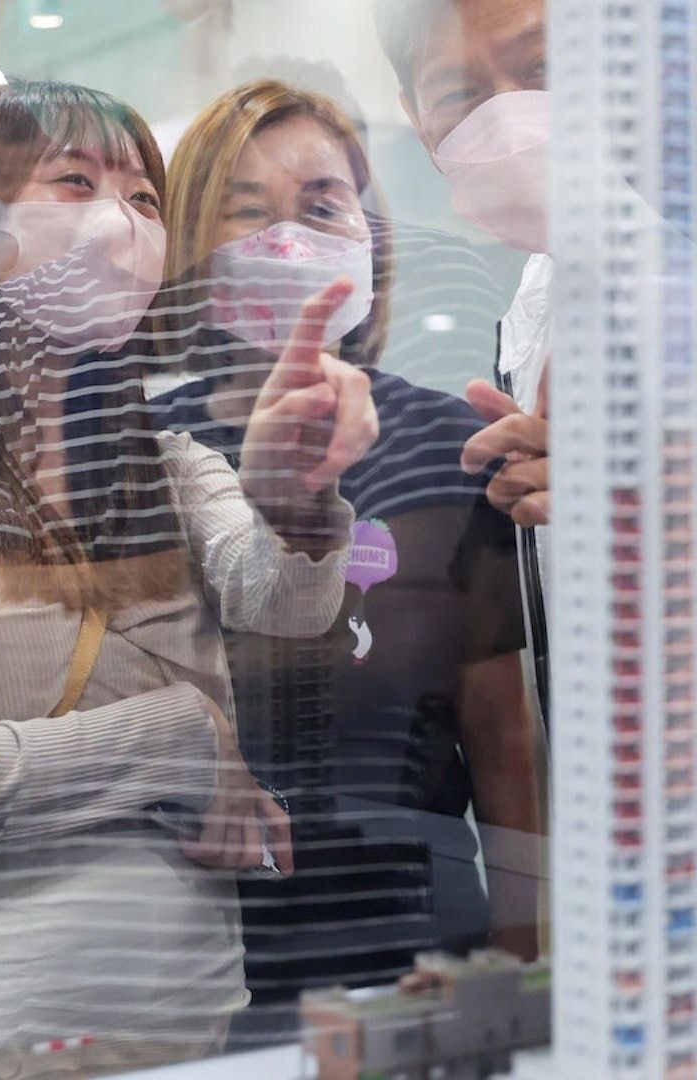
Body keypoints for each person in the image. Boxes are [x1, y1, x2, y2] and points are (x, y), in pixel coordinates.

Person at [0, 79, 376, 1063]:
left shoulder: (169, 460)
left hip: (189, 1001)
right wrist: (180, 735)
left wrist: (300, 497)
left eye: (144, 198)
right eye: (76, 181)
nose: (122, 222)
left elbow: (285, 600)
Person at [150, 79, 543, 1044]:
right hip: (189, 963)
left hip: (414, 951)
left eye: (322, 206)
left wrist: (525, 966)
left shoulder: (450, 442)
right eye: (248, 211)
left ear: (369, 236)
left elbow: (500, 735)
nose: (288, 240)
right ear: (193, 241)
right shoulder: (142, 452)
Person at [376, 0, 553, 719]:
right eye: (460, 93)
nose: (507, 118)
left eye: (543, 66)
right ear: (417, 122)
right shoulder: (530, 306)